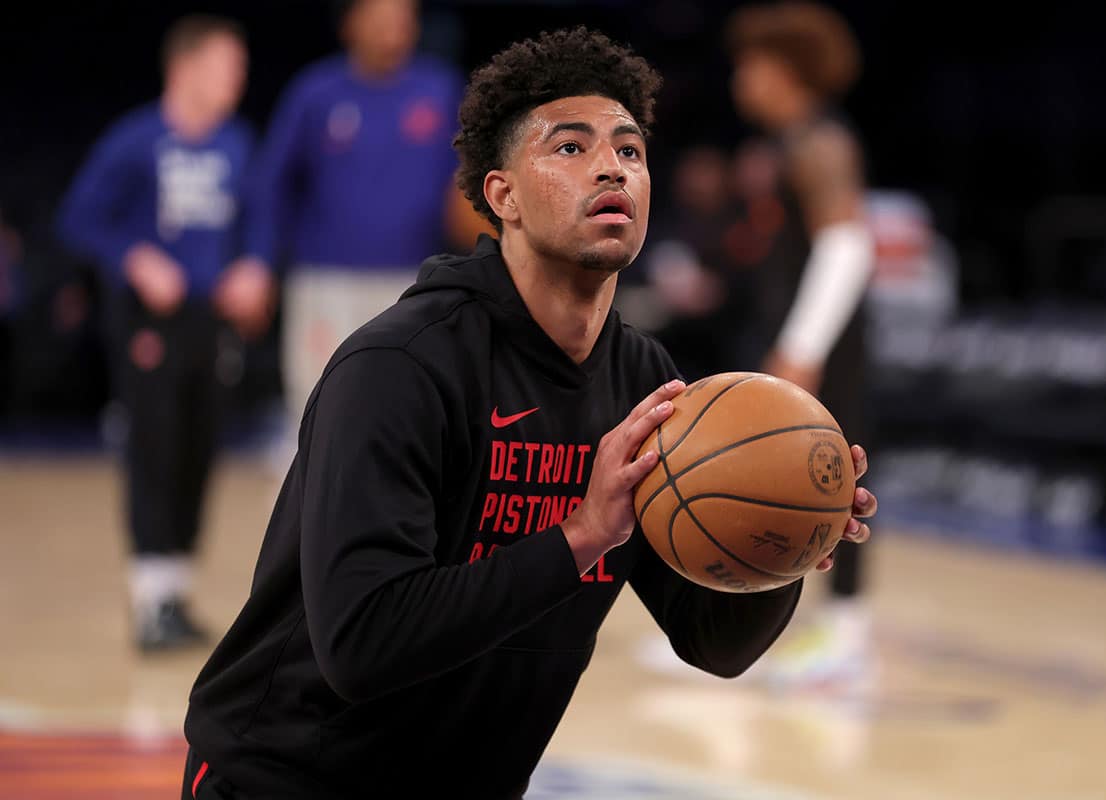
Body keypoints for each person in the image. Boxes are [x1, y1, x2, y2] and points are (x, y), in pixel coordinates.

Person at [181, 27, 877, 798]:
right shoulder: (397, 368)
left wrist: (782, 542)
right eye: (570, 148)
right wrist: (581, 536)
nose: (611, 164)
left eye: (630, 150)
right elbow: (361, 644)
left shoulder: (644, 382)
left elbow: (713, 642)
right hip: (289, 777)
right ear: (500, 194)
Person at [57, 15, 272, 652]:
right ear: (186, 68)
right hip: (150, 322)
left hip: (211, 321)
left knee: (199, 450)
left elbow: (259, 219)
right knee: (154, 447)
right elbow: (79, 217)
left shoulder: (237, 144)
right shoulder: (136, 139)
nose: (237, 77)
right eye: (225, 64)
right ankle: (150, 597)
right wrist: (135, 256)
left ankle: (175, 593)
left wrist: (254, 268)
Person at [233, 0, 484, 454]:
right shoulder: (315, 93)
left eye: (405, 15)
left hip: (416, 285)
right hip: (325, 285)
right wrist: (258, 261)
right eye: (382, 14)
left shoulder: (441, 90)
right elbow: (271, 187)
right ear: (350, 23)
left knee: (410, 420)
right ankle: (306, 526)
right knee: (319, 416)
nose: (395, 25)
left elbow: (475, 183)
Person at [727, 1, 877, 687]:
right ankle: (755, 627)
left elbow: (847, 244)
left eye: (753, 63)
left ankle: (846, 631)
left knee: (837, 477)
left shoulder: (821, 140)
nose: (742, 77)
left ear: (787, 71)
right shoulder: (785, 142)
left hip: (826, 342)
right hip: (793, 330)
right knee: (773, 479)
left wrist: (802, 346)